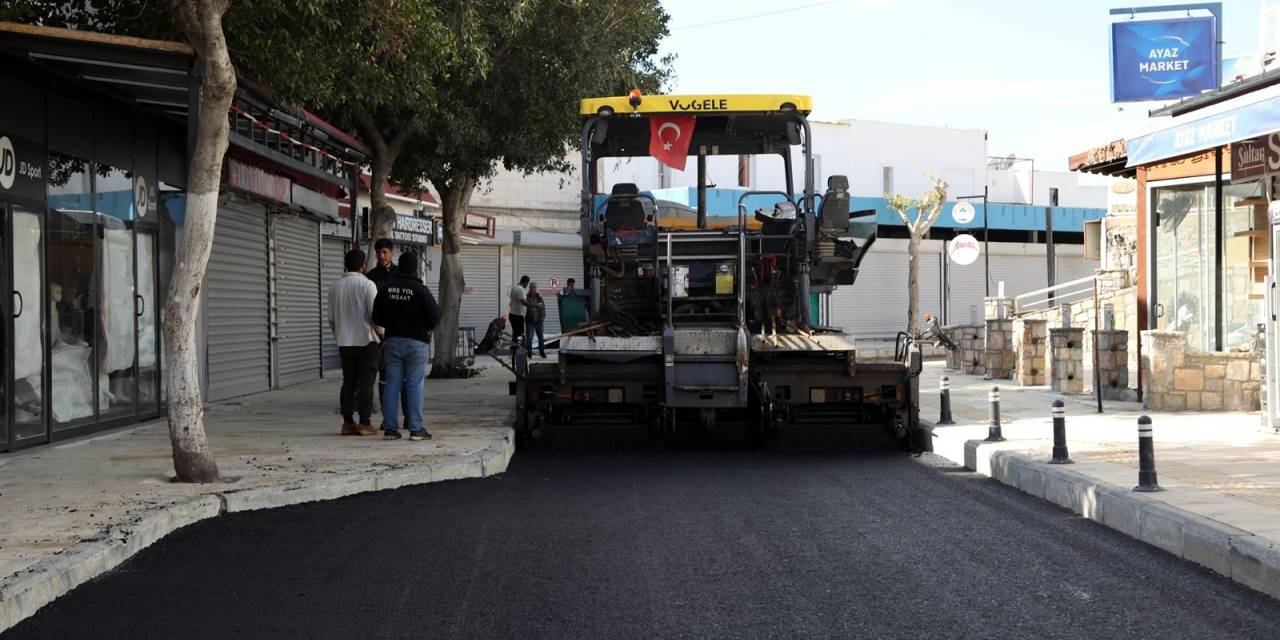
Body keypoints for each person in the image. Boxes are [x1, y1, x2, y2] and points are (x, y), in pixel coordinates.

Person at [372, 251, 440, 441]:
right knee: (414, 385)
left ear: (399, 266)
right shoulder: (421, 290)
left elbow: (376, 317)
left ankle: (390, 429)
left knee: (391, 384)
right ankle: (416, 428)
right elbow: (435, 317)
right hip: (416, 343)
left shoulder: (386, 289)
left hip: (392, 341)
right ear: (415, 269)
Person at [328, 248, 380, 436]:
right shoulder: (367, 285)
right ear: (362, 265)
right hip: (366, 343)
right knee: (366, 384)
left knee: (348, 382)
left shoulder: (335, 287)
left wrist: (340, 336)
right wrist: (382, 337)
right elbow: (376, 316)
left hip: (345, 343)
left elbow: (332, 319)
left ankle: (348, 422)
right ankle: (365, 423)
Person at [508, 275, 530, 354]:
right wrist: (533, 305)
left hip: (512, 314)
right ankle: (520, 351)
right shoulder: (520, 289)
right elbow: (523, 302)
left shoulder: (514, 288)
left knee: (515, 334)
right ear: (526, 282)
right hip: (518, 315)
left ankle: (512, 352)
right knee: (520, 334)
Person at [526, 281, 547, 358]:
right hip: (530, 320)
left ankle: (542, 352)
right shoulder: (526, 297)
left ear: (536, 288)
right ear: (529, 288)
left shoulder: (539, 297)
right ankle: (529, 353)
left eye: (534, 287)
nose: (533, 288)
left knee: (541, 337)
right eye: (531, 287)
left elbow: (543, 307)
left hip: (539, 320)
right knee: (529, 338)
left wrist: (543, 316)